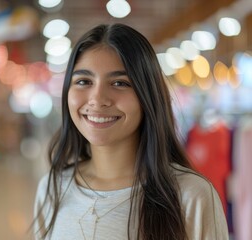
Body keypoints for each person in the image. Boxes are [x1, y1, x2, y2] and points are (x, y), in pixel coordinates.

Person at [33, 23, 228, 240]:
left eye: (119, 83)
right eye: (84, 81)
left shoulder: (191, 195)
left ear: (147, 96)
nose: (97, 99)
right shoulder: (53, 187)